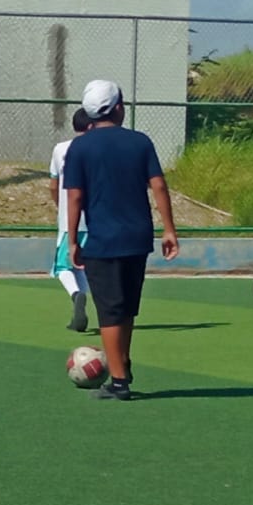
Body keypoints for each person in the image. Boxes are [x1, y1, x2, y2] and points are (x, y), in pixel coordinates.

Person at [64, 79, 179, 401]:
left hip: (103, 239)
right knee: (127, 306)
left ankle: (118, 381)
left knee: (109, 310)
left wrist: (72, 240)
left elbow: (74, 197)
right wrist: (169, 230)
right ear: (118, 108)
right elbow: (159, 185)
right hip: (137, 237)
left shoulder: (80, 147)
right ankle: (122, 365)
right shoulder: (140, 142)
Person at [49, 110, 92, 331]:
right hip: (95, 220)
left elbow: (53, 185)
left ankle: (76, 294)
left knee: (62, 268)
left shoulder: (60, 149)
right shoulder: (98, 149)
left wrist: (62, 208)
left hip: (69, 221)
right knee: (81, 266)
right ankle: (80, 307)